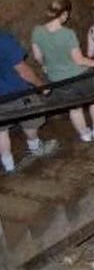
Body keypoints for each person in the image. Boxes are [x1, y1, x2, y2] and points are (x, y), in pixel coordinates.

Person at [31, 0, 94, 142]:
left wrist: (46, 65)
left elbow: (38, 56)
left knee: (74, 108)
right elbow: (79, 60)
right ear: (64, 14)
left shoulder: (37, 31)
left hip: (57, 79)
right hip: (78, 76)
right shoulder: (67, 34)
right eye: (67, 14)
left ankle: (85, 134)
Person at [0, 29, 58, 173]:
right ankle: (35, 147)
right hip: (17, 92)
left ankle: (9, 166)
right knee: (31, 120)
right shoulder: (3, 40)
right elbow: (22, 70)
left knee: (1, 131)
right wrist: (40, 85)